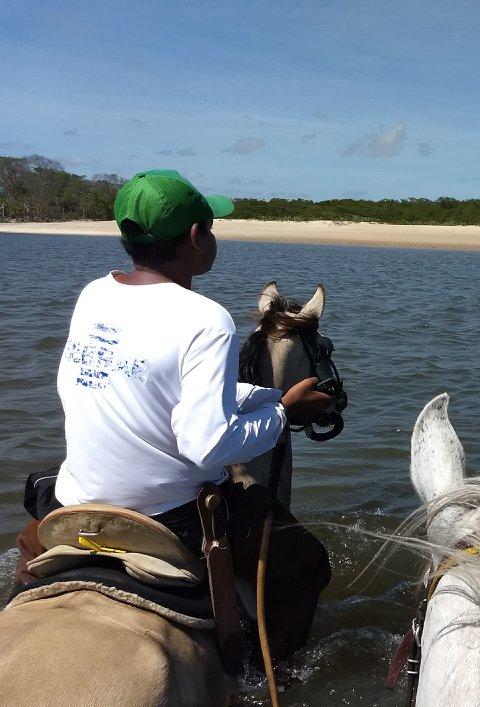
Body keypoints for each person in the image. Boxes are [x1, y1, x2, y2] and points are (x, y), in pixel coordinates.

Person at [16, 169, 335, 660]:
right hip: (170, 514)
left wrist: (263, 396)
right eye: (210, 228)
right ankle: (272, 677)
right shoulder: (206, 319)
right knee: (308, 564)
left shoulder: (94, 294)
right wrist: (284, 414)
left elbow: (142, 379)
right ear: (194, 237)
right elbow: (206, 445)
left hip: (76, 496)